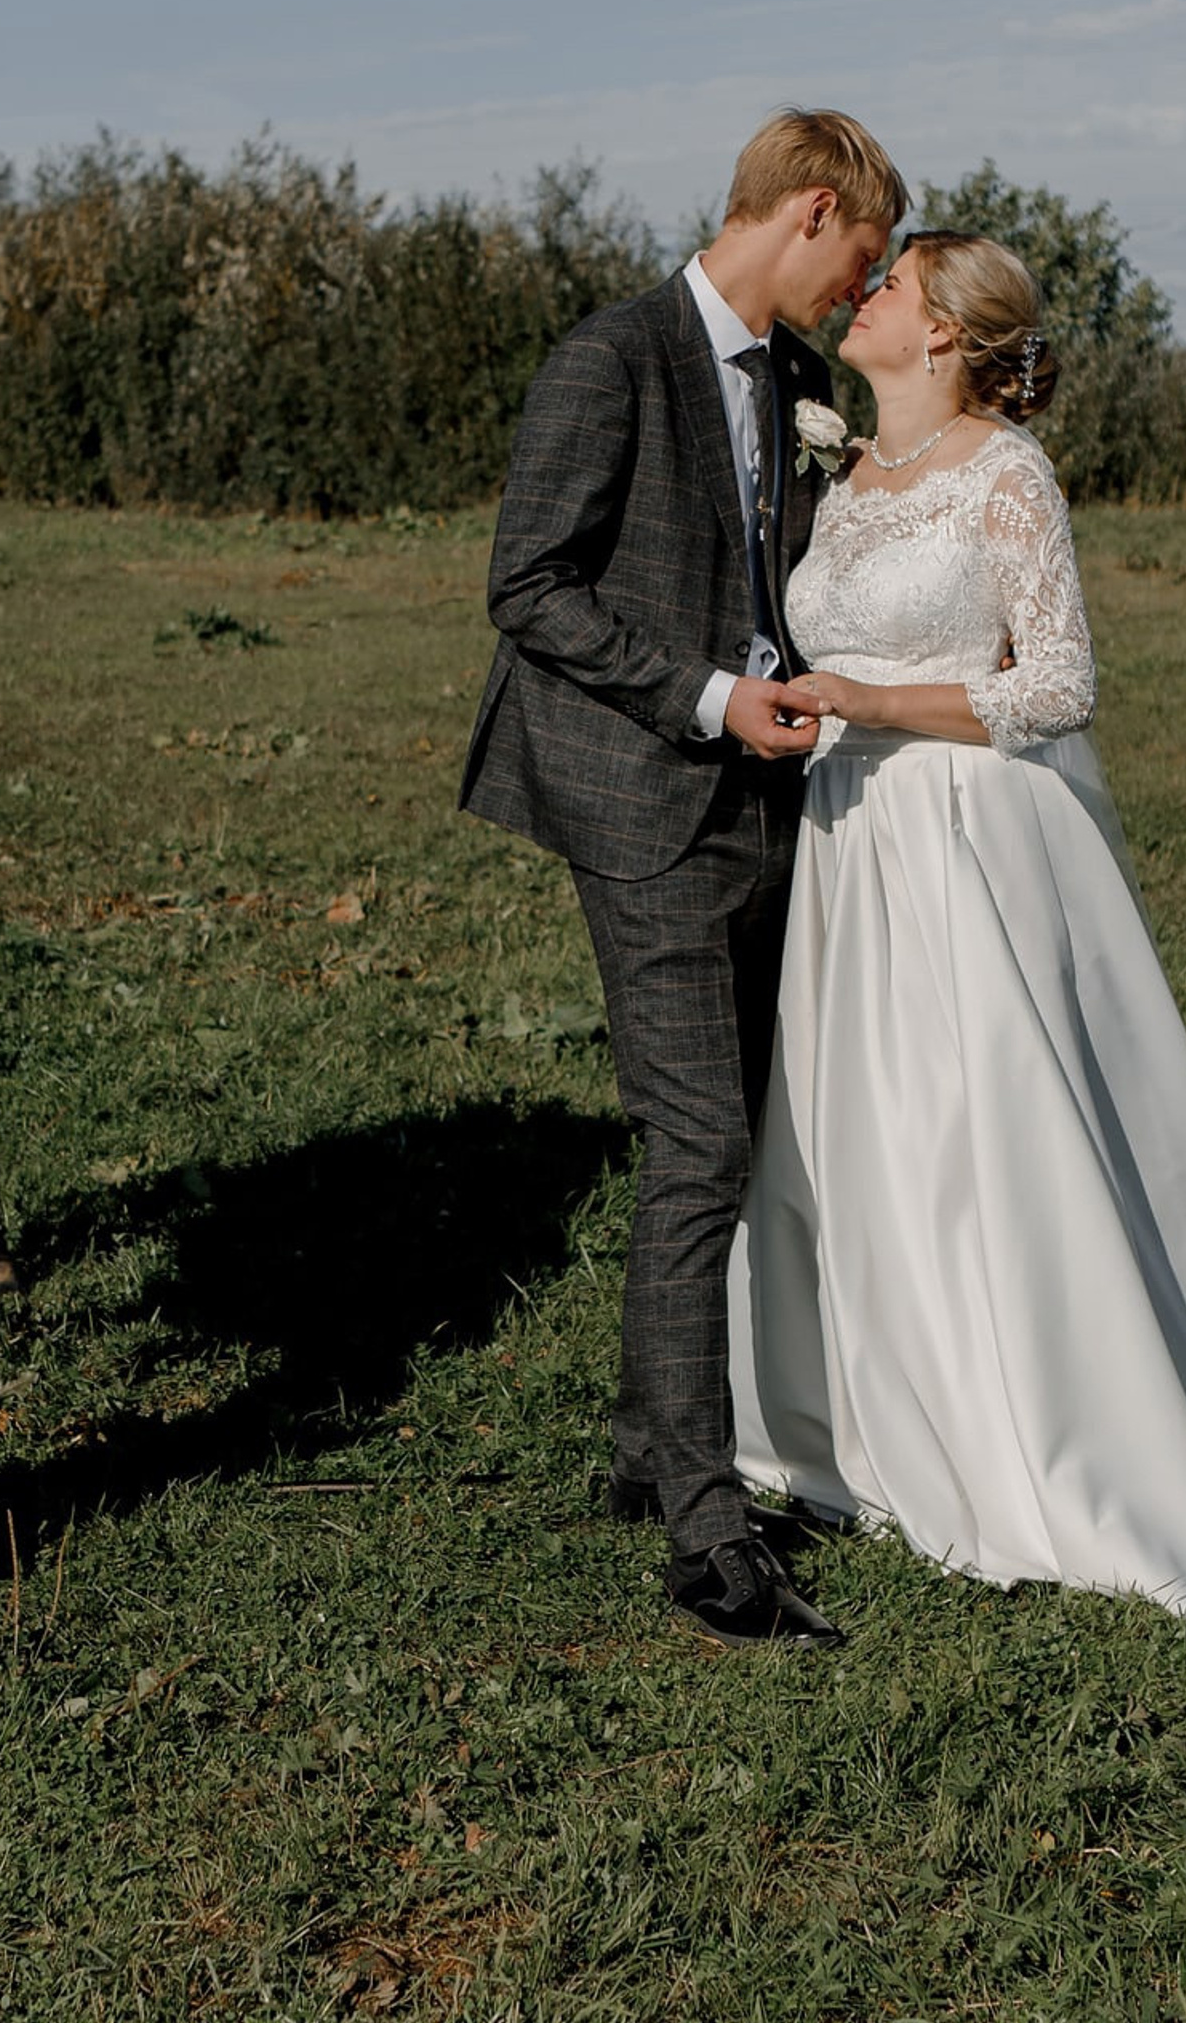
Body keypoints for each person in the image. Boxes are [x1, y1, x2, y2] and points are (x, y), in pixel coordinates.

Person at [727, 232, 1186, 1615]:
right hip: (848, 842)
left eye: (887, 283)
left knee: (980, 1133)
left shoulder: (1006, 473)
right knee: (863, 1129)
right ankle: (885, 1419)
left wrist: (873, 703)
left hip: (961, 837)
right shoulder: (852, 476)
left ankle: (1053, 1438)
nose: (860, 295)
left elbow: (1060, 684)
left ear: (944, 331)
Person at [460, 107, 907, 1648]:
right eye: (860, 253)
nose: (865, 288)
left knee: (730, 1128)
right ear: (807, 209)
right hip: (640, 795)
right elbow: (527, 584)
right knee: (701, 1138)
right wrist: (715, 697)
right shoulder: (610, 359)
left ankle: (657, 1446)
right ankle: (710, 1539)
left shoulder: (791, 383)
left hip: (765, 799)